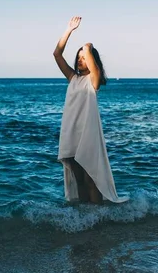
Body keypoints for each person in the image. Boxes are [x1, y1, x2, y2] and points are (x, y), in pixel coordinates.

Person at [53, 16, 129, 204]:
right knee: (79, 178)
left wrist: (87, 46)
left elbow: (90, 56)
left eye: (84, 58)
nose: (80, 60)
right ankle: (85, 218)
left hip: (87, 133)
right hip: (71, 132)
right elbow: (56, 54)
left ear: (91, 61)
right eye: (78, 57)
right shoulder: (73, 78)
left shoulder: (92, 80)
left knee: (90, 177)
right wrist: (68, 30)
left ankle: (98, 218)